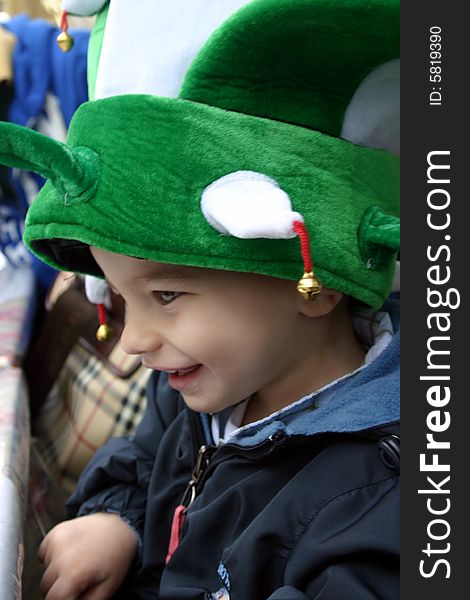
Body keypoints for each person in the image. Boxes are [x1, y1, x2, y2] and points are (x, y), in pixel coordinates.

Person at [0, 1, 400, 598]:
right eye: (119, 296)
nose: (133, 343)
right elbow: (136, 465)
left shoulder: (378, 510)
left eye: (165, 294)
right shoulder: (195, 389)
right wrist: (120, 523)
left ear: (317, 285)